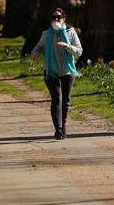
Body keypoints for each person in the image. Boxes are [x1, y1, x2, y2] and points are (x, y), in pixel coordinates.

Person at [30, 8, 82, 140]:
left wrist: (67, 46)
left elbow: (78, 52)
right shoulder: (46, 34)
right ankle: (58, 129)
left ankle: (63, 126)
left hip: (67, 71)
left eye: (58, 17)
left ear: (64, 19)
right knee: (56, 98)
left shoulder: (70, 33)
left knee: (65, 101)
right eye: (53, 17)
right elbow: (38, 47)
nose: (56, 20)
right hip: (51, 72)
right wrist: (35, 54)